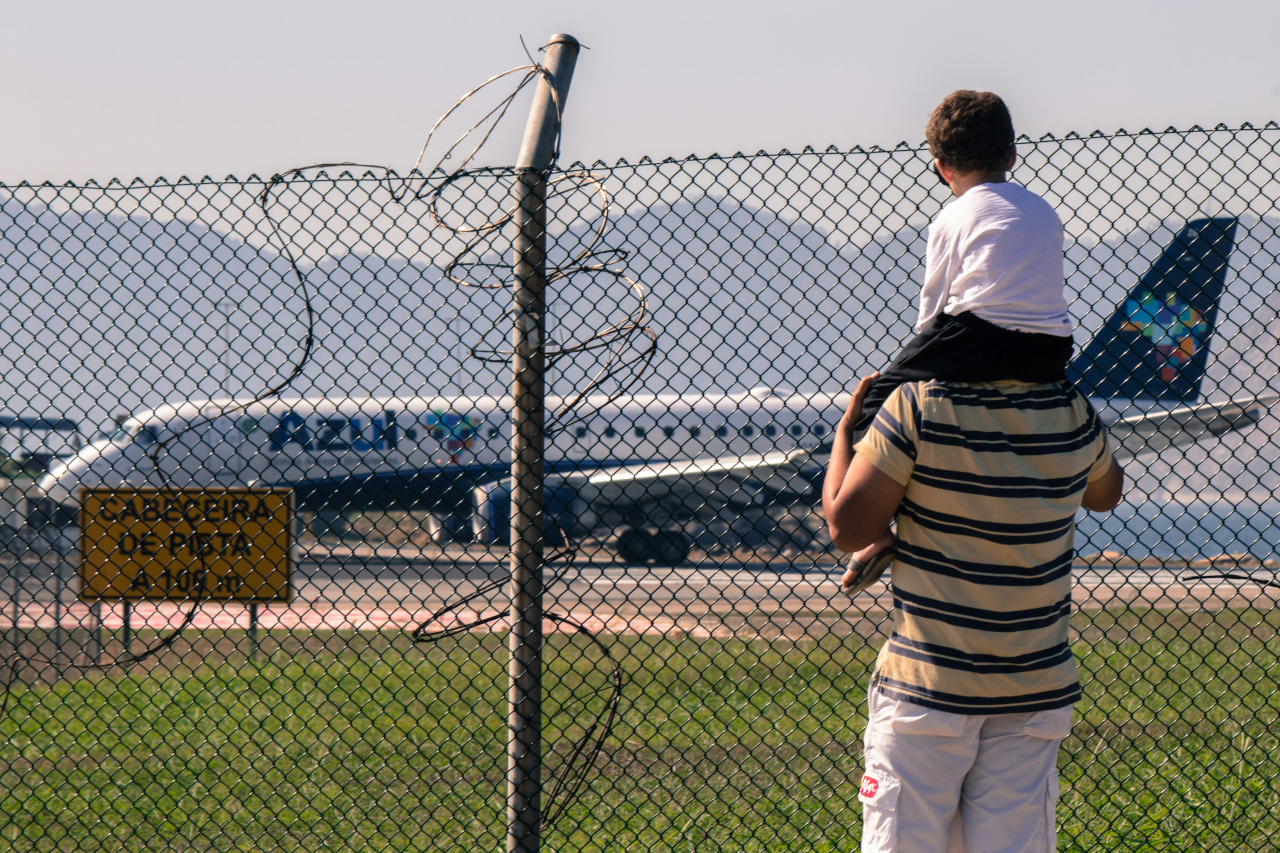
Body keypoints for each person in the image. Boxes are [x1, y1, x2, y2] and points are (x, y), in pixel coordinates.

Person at [822, 93, 1127, 851]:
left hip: (929, 694)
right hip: (1034, 692)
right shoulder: (1072, 415)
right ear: (1014, 155)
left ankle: (891, 541)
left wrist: (851, 429)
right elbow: (1108, 491)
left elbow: (840, 521)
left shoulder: (921, 409)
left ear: (938, 166)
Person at [844, 90, 1077, 589]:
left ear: (940, 167)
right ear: (1012, 156)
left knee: (876, 407)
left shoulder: (953, 216)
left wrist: (914, 364)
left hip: (980, 334)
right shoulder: (1044, 210)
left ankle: (878, 533)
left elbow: (935, 307)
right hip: (1051, 346)